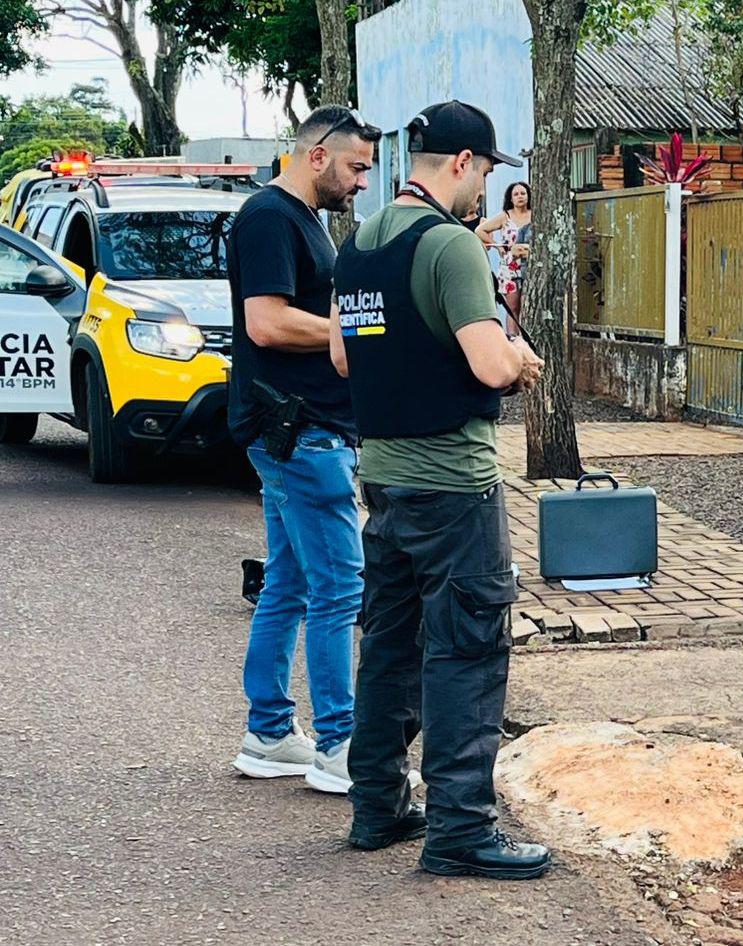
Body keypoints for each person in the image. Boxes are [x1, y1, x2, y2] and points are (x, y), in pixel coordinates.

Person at [329, 100, 549, 879]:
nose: (485, 186)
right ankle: (461, 831)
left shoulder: (359, 245)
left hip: (383, 480)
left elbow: (344, 358)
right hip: (454, 483)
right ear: (461, 163)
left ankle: (377, 806)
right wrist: (521, 362)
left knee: (390, 647)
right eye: (485, 170)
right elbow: (489, 362)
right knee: (467, 650)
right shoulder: (450, 243)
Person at [227, 105, 380, 793]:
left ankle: (269, 734)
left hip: (299, 428)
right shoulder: (269, 217)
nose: (362, 182)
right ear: (317, 155)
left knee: (288, 583)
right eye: (356, 167)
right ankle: (339, 746)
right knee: (339, 588)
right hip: (302, 431)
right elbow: (265, 323)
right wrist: (350, 334)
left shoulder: (300, 217)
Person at [475, 181, 532, 316]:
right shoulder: (505, 216)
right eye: (516, 194)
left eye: (523, 193)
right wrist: (497, 245)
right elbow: (480, 230)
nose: (520, 196)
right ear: (510, 199)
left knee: (530, 306)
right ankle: (512, 331)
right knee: (513, 307)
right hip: (510, 266)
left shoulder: (536, 215)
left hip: (531, 264)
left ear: (528, 196)